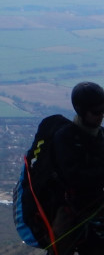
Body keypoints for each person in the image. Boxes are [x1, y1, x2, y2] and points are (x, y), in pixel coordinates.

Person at [51, 81, 104, 255]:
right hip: (72, 207)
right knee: (61, 247)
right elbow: (74, 176)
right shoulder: (65, 138)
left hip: (96, 204)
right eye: (96, 112)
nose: (101, 116)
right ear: (82, 111)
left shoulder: (101, 136)